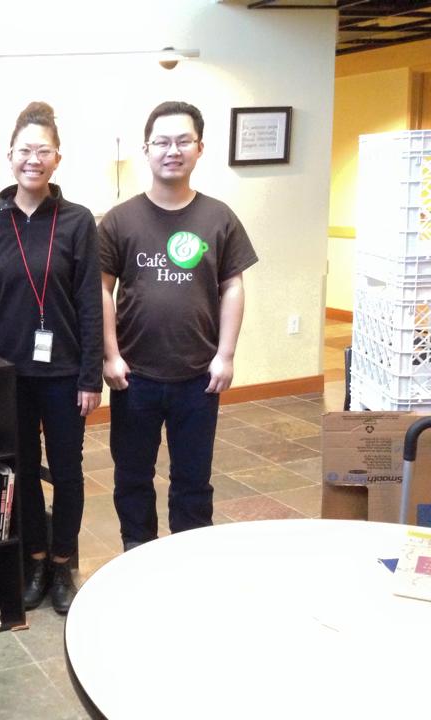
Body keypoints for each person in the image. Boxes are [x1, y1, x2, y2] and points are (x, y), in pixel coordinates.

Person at [99, 101, 259, 552]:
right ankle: (138, 552)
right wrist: (109, 355)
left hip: (198, 377)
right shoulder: (120, 219)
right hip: (134, 377)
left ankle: (189, 558)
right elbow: (101, 291)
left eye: (183, 141)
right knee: (132, 476)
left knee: (192, 479)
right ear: (147, 149)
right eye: (163, 142)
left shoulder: (219, 217)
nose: (173, 150)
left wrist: (225, 355)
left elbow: (233, 287)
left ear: (200, 148)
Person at [0, 102, 103, 614]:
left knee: (67, 472)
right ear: (9, 157)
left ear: (57, 159)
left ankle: (64, 563)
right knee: (21, 470)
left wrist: (91, 375)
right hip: (10, 374)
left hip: (66, 373)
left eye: (42, 151)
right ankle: (34, 558)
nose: (33, 159)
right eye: (24, 150)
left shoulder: (77, 222)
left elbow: (90, 303)